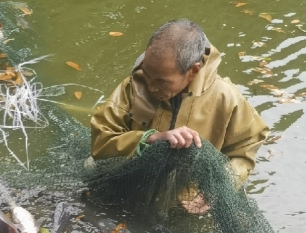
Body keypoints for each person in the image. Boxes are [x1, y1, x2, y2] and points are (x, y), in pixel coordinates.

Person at [89, 19, 268, 213]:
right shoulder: (132, 86)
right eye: (147, 74)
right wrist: (148, 138)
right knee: (89, 168)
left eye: (162, 82)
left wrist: (216, 189)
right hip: (134, 185)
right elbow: (101, 140)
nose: (150, 86)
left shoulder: (227, 98)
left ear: (193, 71)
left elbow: (246, 150)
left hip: (186, 203)